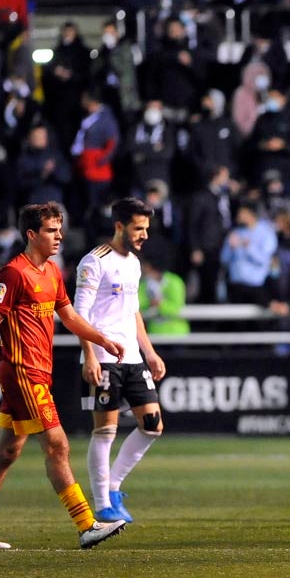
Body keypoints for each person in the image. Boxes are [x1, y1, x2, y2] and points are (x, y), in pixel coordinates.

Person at [0, 202, 128, 550]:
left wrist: (101, 338)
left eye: (60, 229)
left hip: (38, 372)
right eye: (51, 230)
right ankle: (86, 524)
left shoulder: (51, 273)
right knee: (57, 444)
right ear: (32, 234)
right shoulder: (13, 273)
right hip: (22, 372)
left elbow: (71, 318)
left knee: (7, 451)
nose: (59, 236)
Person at [75, 198, 167, 524]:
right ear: (119, 226)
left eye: (146, 229)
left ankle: (113, 487)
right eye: (138, 229)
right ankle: (101, 504)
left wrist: (150, 352)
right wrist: (89, 355)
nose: (144, 235)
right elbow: (79, 316)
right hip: (103, 356)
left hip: (131, 356)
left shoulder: (134, 263)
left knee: (152, 425)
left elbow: (133, 312)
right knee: (105, 432)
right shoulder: (94, 261)